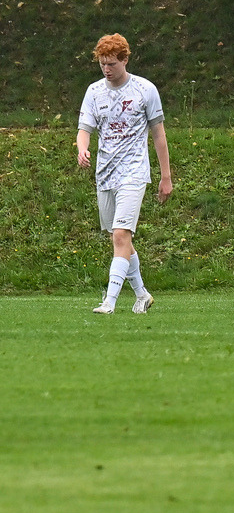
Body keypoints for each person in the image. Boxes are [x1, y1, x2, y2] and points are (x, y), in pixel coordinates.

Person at [77, 33, 172, 314]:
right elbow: (85, 129)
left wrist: (166, 177)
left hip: (134, 172)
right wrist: (82, 149)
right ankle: (142, 294)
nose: (107, 69)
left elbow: (159, 135)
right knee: (119, 239)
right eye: (102, 64)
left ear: (125, 60)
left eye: (112, 64)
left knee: (121, 234)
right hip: (105, 174)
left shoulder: (145, 90)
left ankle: (110, 301)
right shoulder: (94, 92)